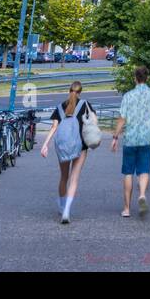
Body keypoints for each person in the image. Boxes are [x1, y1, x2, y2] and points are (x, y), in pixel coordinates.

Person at [111, 66, 150, 217]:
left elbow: (122, 118)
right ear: (146, 78)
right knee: (144, 170)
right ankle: (141, 195)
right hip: (147, 138)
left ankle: (127, 209)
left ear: (135, 78)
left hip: (131, 138)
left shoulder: (128, 96)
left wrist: (115, 137)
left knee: (128, 172)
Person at [39, 81, 95, 224]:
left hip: (63, 146)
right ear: (80, 92)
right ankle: (67, 211)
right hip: (80, 146)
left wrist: (45, 145)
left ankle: (62, 205)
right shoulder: (85, 105)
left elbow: (54, 127)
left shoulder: (60, 106)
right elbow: (94, 122)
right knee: (74, 178)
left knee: (64, 177)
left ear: (69, 91)